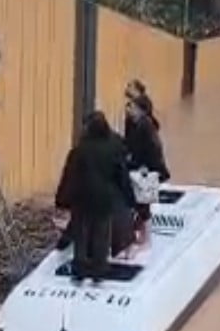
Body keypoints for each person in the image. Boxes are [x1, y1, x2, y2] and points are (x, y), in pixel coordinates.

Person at [54, 111, 150, 281]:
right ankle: (99, 268)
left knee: (81, 232)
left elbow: (70, 174)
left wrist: (61, 201)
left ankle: (80, 266)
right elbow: (122, 175)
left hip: (83, 197)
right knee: (101, 233)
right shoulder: (113, 147)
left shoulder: (80, 149)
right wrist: (131, 199)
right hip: (104, 198)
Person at [124, 96, 171, 182]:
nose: (129, 110)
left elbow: (151, 147)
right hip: (142, 165)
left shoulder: (145, 126)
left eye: (133, 107)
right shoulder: (134, 124)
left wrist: (144, 165)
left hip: (149, 168)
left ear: (141, 111)